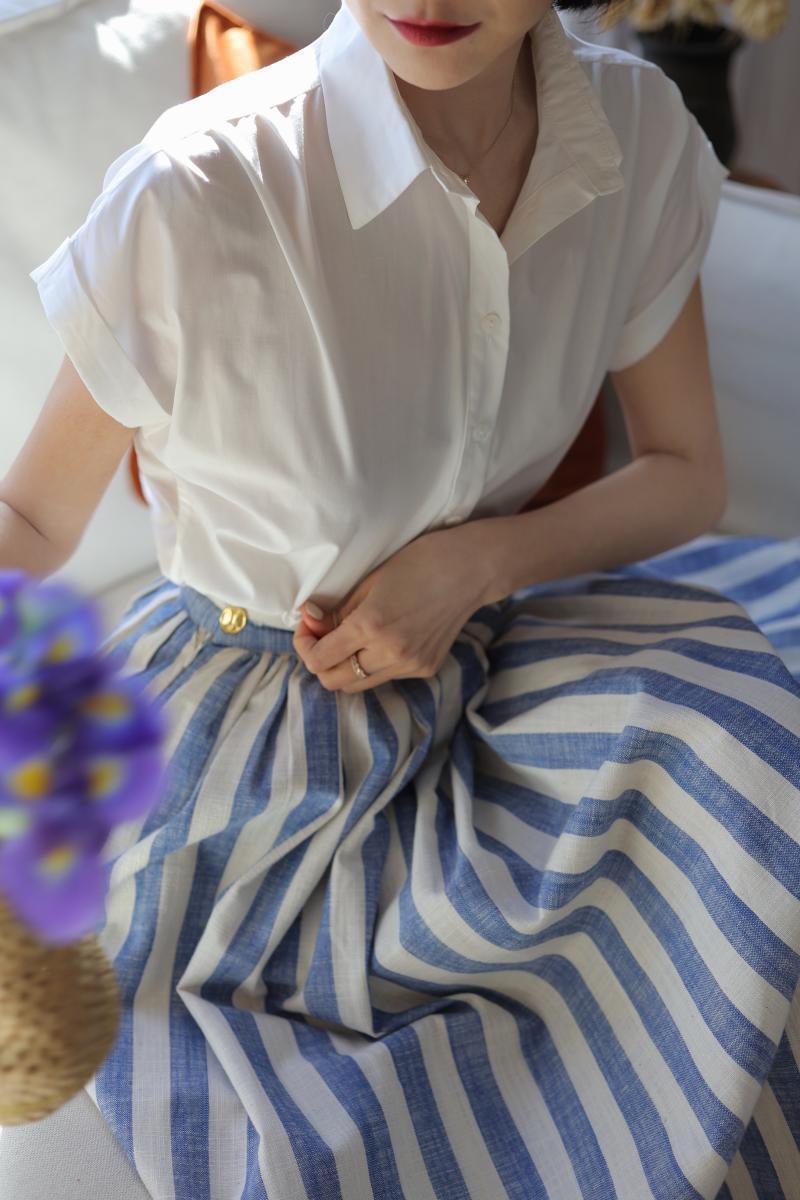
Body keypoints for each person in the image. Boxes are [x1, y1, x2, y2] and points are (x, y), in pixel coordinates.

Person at [1, 1, 799, 1197]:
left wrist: (476, 563)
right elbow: (30, 521)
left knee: (746, 757)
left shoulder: (632, 131)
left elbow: (687, 473)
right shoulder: (198, 188)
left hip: (500, 662)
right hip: (246, 758)